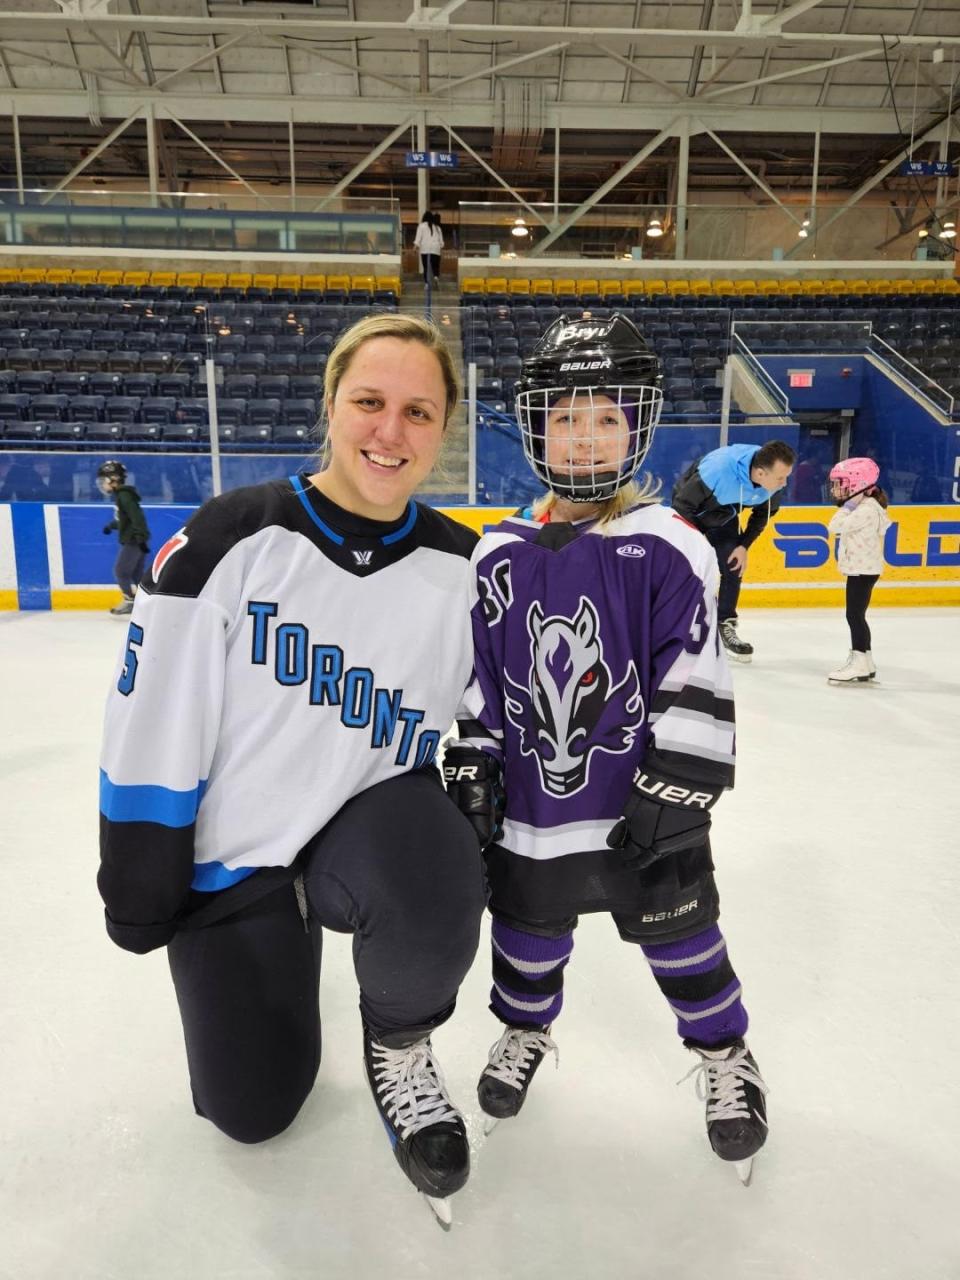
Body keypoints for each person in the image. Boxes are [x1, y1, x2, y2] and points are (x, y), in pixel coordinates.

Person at [98, 314, 487, 1224]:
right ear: (332, 404)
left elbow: (497, 714)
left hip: (366, 829)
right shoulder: (236, 535)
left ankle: (399, 1042)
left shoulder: (460, 568)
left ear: (444, 429)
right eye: (370, 402)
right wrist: (143, 878)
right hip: (241, 856)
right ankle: (282, 933)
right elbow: (152, 718)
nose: (390, 432)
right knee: (255, 1112)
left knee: (435, 862)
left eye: (419, 412)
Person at [443, 314, 769, 1185]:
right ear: (536, 425)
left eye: (607, 419)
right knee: (526, 925)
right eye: (566, 418)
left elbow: (695, 667)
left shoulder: (670, 544)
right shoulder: (499, 550)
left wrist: (680, 780)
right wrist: (474, 754)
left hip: (638, 800)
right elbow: (480, 672)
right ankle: (525, 1029)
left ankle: (724, 1053)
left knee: (681, 932)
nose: (586, 437)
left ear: (640, 425)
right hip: (536, 804)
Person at [671, 439, 796, 662]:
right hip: (691, 513)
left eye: (786, 477)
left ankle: (725, 625)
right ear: (760, 473)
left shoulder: (773, 485)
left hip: (724, 516)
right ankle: (676, 625)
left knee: (733, 566)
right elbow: (682, 506)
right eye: (780, 478)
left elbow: (760, 518)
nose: (784, 483)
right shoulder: (716, 470)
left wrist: (743, 546)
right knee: (688, 569)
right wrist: (694, 542)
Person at [825, 456, 891, 684]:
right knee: (857, 615)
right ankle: (866, 660)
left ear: (858, 484)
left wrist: (847, 507)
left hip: (862, 570)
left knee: (854, 615)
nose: (836, 489)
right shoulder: (865, 506)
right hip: (862, 568)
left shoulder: (865, 510)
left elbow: (834, 527)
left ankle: (860, 661)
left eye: (840, 483)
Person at [98, 460, 151, 617]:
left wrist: (140, 538)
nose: (102, 484)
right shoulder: (122, 496)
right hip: (136, 538)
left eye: (104, 480)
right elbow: (124, 519)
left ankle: (130, 601)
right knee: (137, 575)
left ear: (113, 478)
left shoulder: (124, 496)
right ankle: (147, 601)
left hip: (134, 540)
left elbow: (137, 517)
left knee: (121, 571)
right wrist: (111, 526)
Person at [413, 211, 443, 286]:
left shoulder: (421, 226)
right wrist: (440, 248)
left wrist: (415, 247)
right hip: (436, 249)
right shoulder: (437, 228)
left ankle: (426, 283)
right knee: (435, 265)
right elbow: (441, 242)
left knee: (426, 266)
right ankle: (436, 276)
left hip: (425, 249)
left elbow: (418, 238)